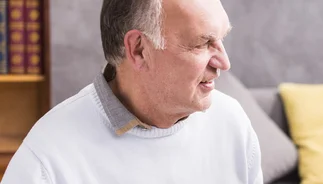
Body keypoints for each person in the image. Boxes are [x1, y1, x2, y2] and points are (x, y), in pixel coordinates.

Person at [1, 0, 263, 183]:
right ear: (139, 49)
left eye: (221, 40)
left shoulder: (231, 121)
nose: (224, 63)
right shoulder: (48, 156)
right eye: (202, 43)